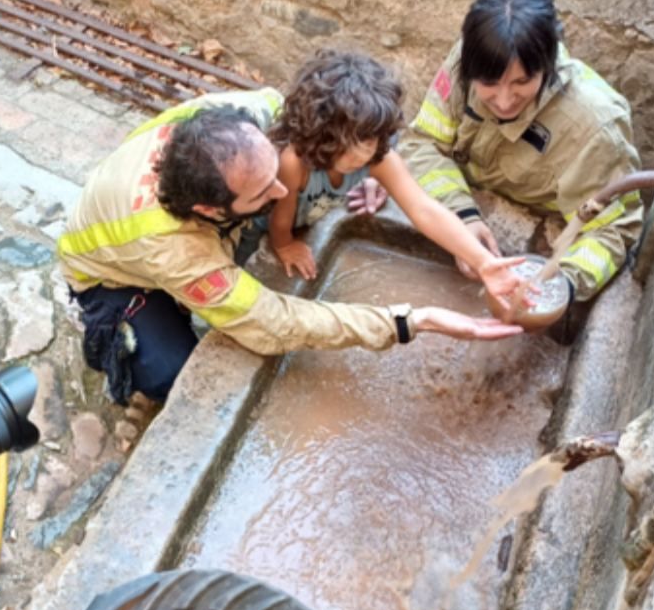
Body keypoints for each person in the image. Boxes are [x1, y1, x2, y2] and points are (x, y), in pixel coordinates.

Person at [58, 89, 525, 405]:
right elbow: (274, 323)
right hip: (109, 276)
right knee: (171, 374)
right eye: (263, 193)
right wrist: (405, 321)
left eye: (274, 174)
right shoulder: (178, 252)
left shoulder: (254, 109)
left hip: (130, 208)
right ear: (209, 210)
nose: (283, 193)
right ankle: (114, 324)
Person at [398, 0, 642, 302]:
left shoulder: (595, 127)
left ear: (548, 63)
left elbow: (614, 231)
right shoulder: (467, 62)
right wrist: (462, 218)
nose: (503, 100)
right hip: (469, 197)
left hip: (545, 225)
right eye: (488, 83)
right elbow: (422, 143)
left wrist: (559, 286)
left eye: (522, 82)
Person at [252, 50, 527, 286]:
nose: (362, 153)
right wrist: (285, 245)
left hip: (308, 212)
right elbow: (280, 219)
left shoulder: (378, 158)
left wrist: (481, 261)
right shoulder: (294, 161)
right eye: (349, 142)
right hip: (256, 215)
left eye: (370, 140)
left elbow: (424, 209)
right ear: (319, 133)